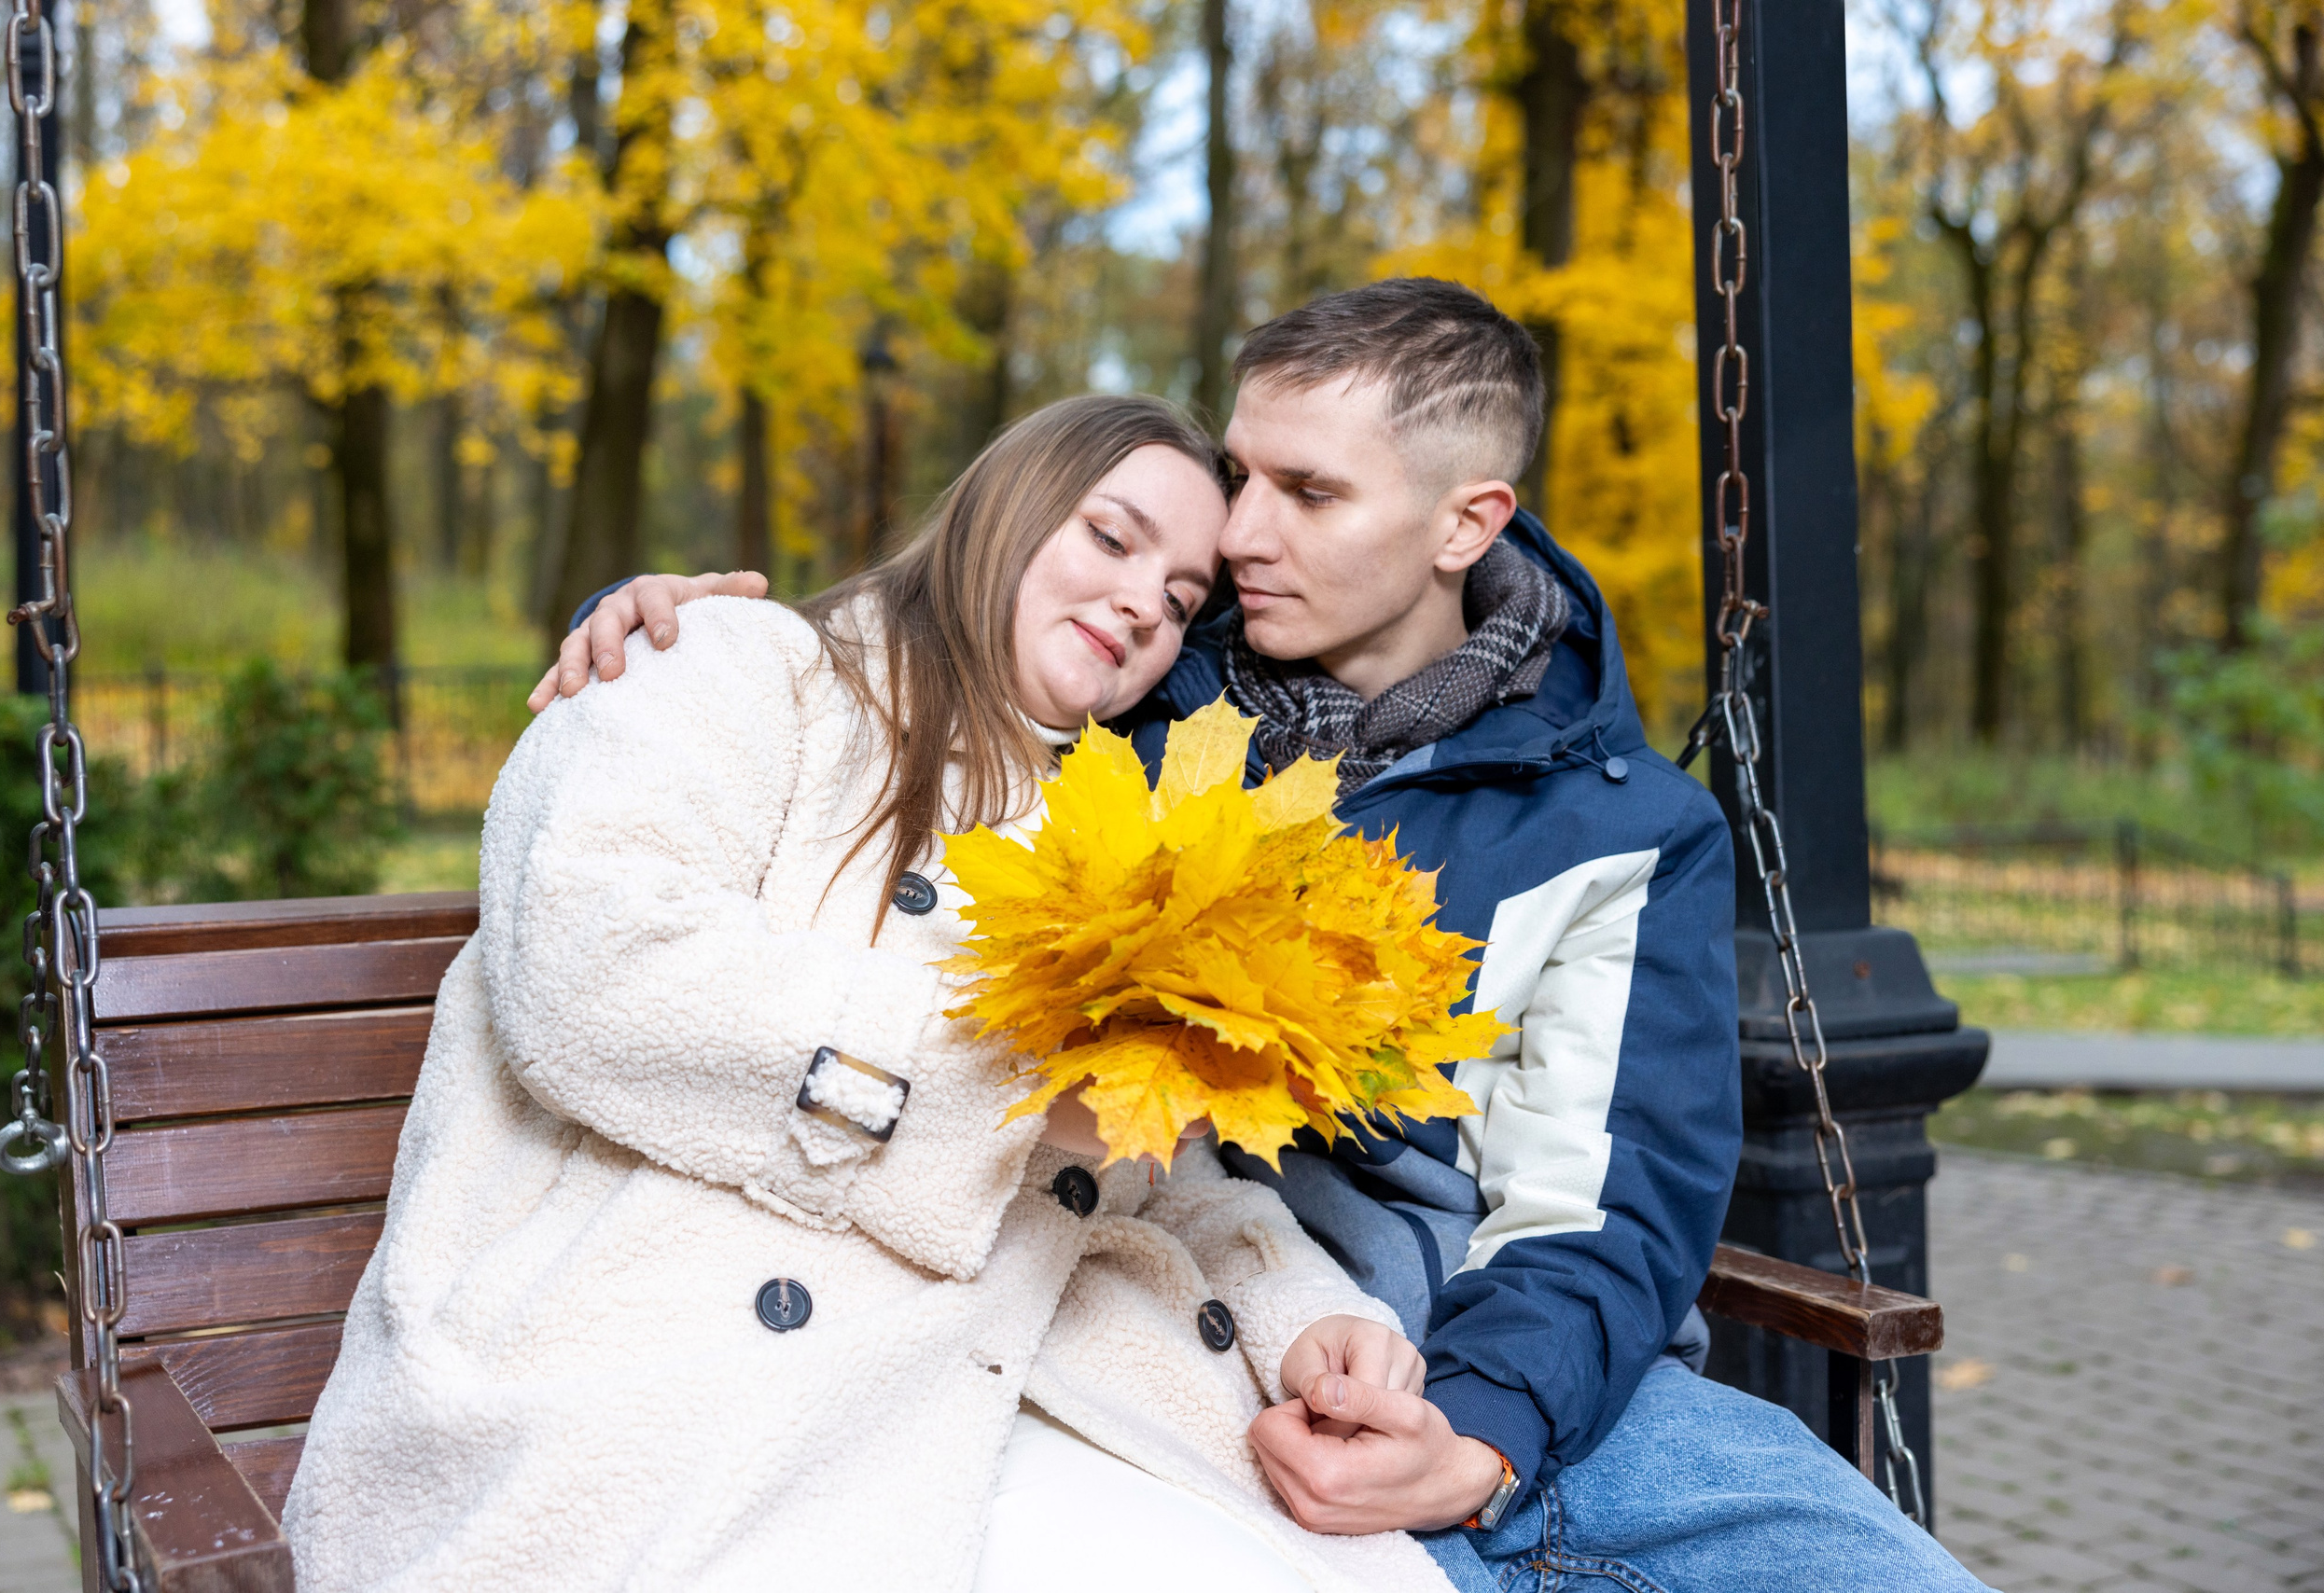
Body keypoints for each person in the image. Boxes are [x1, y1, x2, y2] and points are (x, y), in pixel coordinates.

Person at [547, 279, 1992, 1592]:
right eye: (1242, 474)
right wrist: (670, 618)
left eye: (1307, 491)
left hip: (1525, 1375)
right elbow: (921, 675)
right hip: (1175, 1345)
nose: (1238, 535)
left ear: (1464, 524)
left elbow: (1607, 1204)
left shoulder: (1624, 831)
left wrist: (1479, 1437)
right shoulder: (1142, 688)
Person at [284, 394, 1457, 1593]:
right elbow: (593, 964)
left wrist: (1297, 1311)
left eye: (1178, 602)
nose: (1138, 605)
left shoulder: (1106, 836)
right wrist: (1002, 1096)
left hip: (968, 1393)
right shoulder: (738, 667)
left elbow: (1152, 1154)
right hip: (654, 1389)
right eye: (1111, 539)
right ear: (1006, 503)